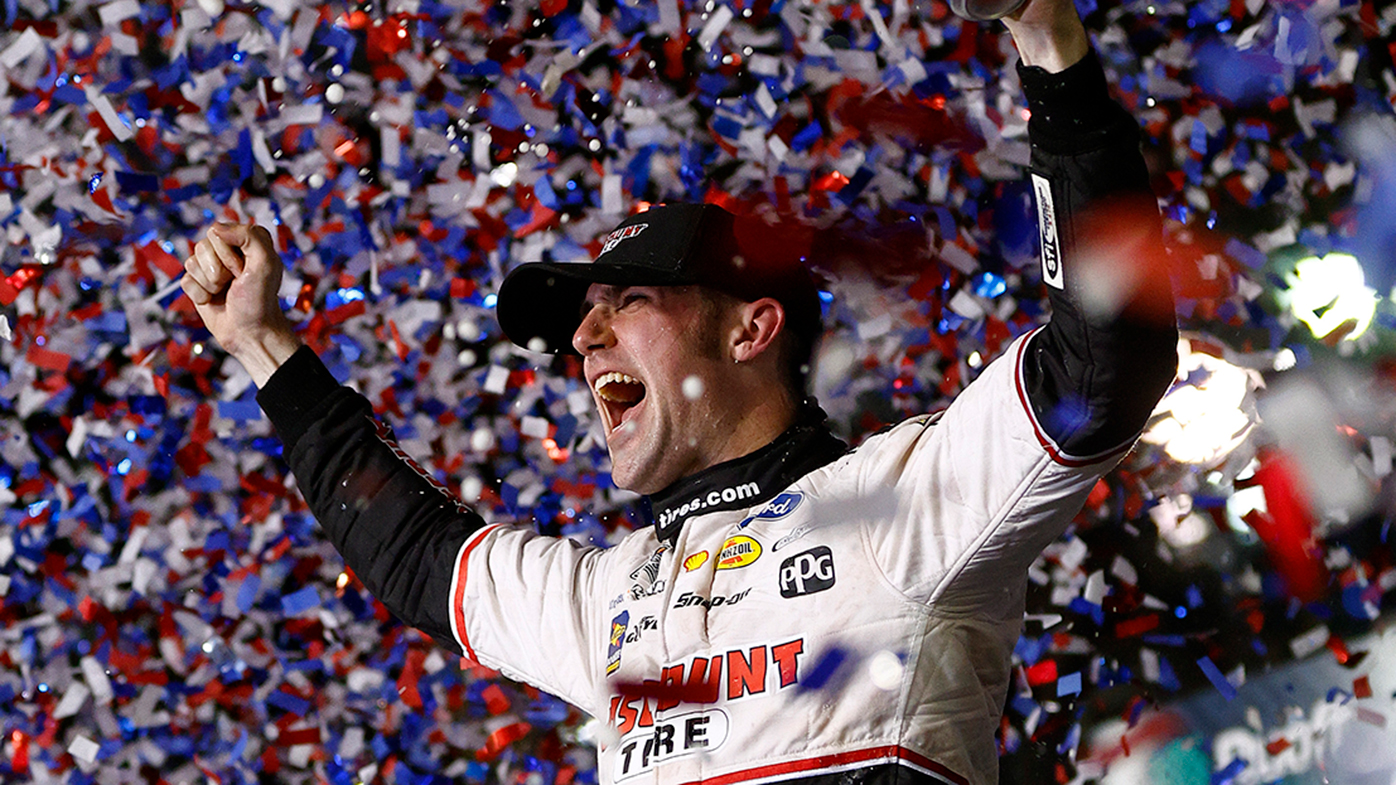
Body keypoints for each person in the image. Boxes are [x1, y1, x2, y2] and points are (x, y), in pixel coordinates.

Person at [177, 0, 1177, 781]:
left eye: (630, 299)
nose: (582, 335)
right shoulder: (609, 596)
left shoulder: (895, 507)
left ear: (750, 326)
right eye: (582, 316)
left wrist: (1048, 40)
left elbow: (1103, 355)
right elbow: (411, 551)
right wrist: (265, 347)